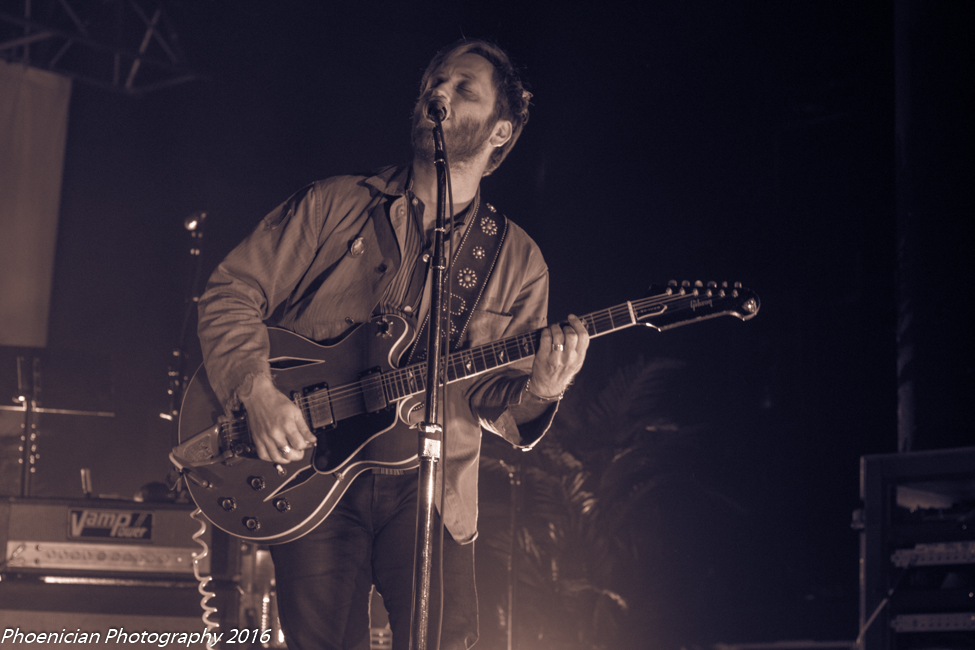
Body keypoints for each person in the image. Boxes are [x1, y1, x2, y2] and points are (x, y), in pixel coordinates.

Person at [196, 38, 589, 650]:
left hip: (434, 490)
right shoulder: (333, 205)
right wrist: (257, 391)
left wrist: (543, 388)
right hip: (316, 475)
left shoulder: (516, 260)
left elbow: (496, 404)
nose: (439, 92)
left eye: (464, 89)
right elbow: (229, 291)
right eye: (435, 81)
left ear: (500, 131)